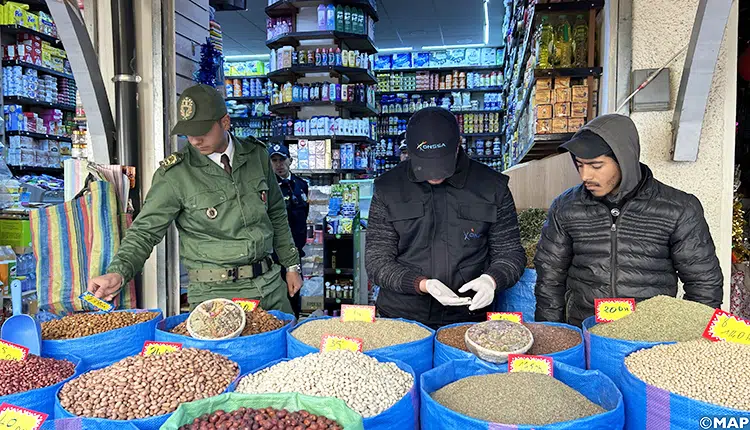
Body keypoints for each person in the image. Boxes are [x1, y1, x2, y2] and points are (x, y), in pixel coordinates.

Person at [87, 84, 302, 312]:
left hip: (270, 285)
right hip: (216, 294)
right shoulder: (175, 175)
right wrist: (118, 272)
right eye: (188, 132)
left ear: (225, 122)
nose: (194, 140)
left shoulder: (256, 155)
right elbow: (144, 231)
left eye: (202, 131)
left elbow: (276, 212)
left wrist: (291, 265)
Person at [534, 114, 723, 326]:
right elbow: (550, 278)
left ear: (624, 160)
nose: (585, 175)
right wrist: (551, 333)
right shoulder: (566, 207)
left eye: (596, 166)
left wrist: (690, 335)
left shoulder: (679, 208)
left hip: (651, 334)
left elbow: (703, 283)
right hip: (584, 330)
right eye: (580, 165)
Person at [366, 107, 526, 329]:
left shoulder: (492, 187)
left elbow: (510, 252)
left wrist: (491, 280)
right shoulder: (388, 188)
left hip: (469, 316)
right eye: (426, 166)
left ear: (458, 145)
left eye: (442, 164)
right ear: (408, 151)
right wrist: (421, 284)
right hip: (401, 316)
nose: (435, 175)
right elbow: (376, 261)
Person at [269, 143, 310, 317]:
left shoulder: (301, 185)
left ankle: (294, 321)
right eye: (274, 160)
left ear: (290, 161)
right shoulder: (269, 188)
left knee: (295, 292)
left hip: (296, 251)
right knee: (277, 295)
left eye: (282, 160)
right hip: (275, 253)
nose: (278, 164)